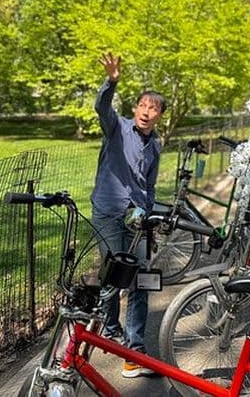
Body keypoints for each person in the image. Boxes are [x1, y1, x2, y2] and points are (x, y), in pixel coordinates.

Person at [90, 52, 166, 378]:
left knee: (142, 282)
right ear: (135, 108)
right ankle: (110, 328)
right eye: (143, 106)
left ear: (159, 115)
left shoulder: (156, 146)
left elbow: (148, 186)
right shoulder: (117, 128)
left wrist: (149, 217)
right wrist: (112, 82)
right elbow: (101, 107)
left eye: (154, 108)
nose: (147, 112)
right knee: (113, 278)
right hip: (108, 211)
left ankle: (135, 349)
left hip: (137, 219)